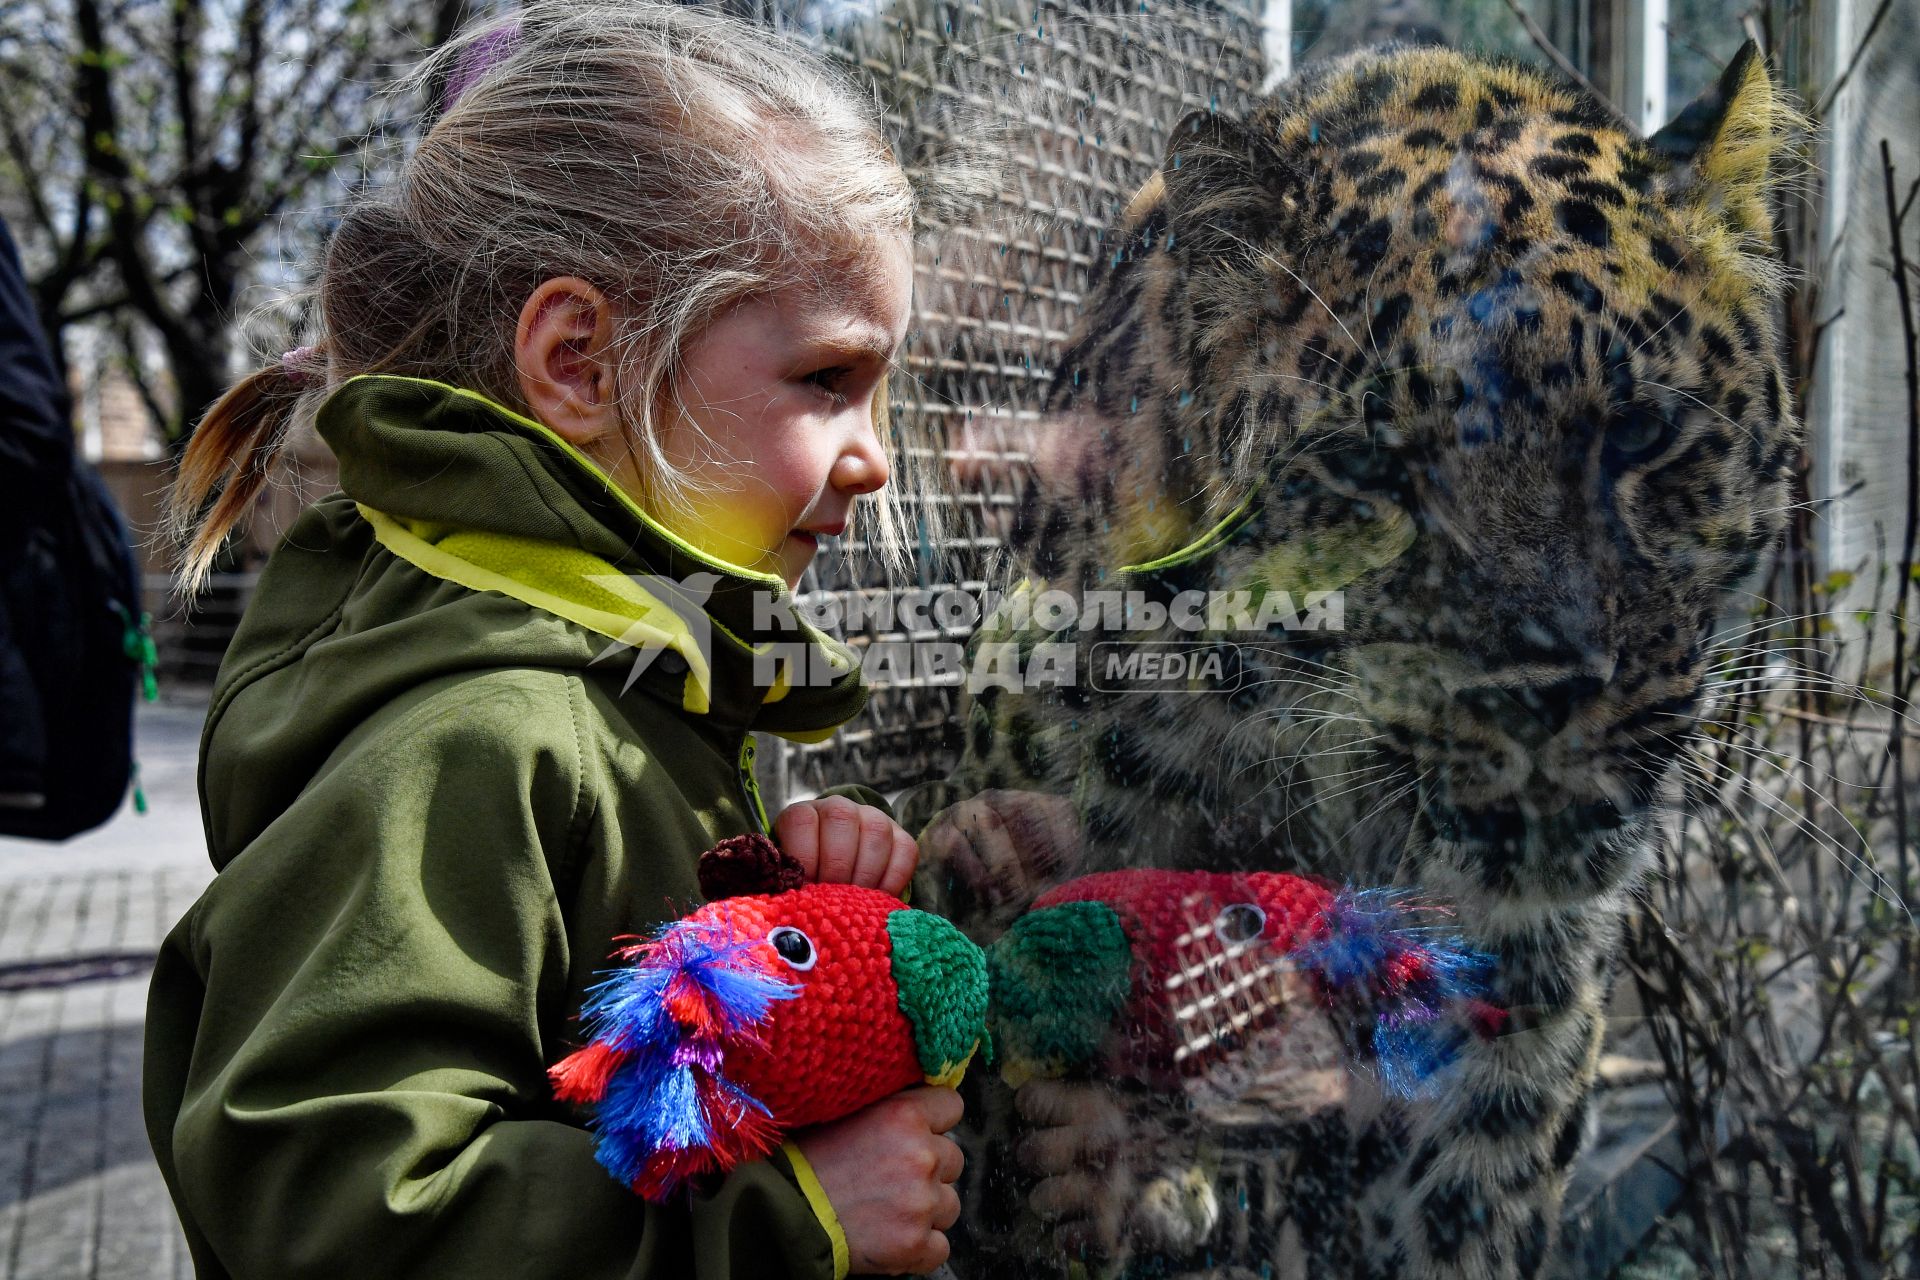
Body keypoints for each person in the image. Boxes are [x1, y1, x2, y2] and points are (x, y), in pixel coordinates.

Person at [142, 5, 961, 1277]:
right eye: (827, 379)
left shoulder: (628, 670)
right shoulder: (482, 730)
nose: (877, 456)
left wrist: (779, 913)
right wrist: (784, 1219)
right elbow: (332, 1210)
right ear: (579, 360)